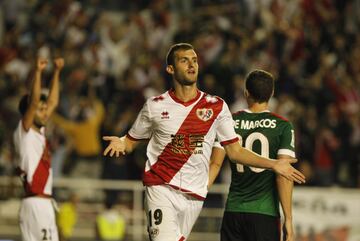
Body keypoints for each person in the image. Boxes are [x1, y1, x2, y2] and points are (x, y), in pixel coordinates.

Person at [102, 43, 305, 241]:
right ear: (170, 69)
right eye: (184, 61)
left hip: (194, 196)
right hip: (161, 186)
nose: (192, 65)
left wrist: (274, 164)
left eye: (195, 60)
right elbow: (130, 141)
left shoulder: (217, 107)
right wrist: (121, 142)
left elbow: (234, 152)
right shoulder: (154, 106)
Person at [218, 70, 296, 241]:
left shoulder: (230, 121)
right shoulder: (283, 126)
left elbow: (214, 163)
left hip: (234, 210)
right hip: (264, 213)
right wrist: (288, 219)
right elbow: (283, 175)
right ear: (272, 93)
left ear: (246, 92)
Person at [13, 57, 64, 241]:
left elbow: (53, 102)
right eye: (40, 109)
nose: (45, 112)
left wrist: (57, 72)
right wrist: (38, 72)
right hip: (35, 202)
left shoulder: (39, 131)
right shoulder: (24, 131)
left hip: (43, 203)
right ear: (28, 111)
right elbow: (34, 102)